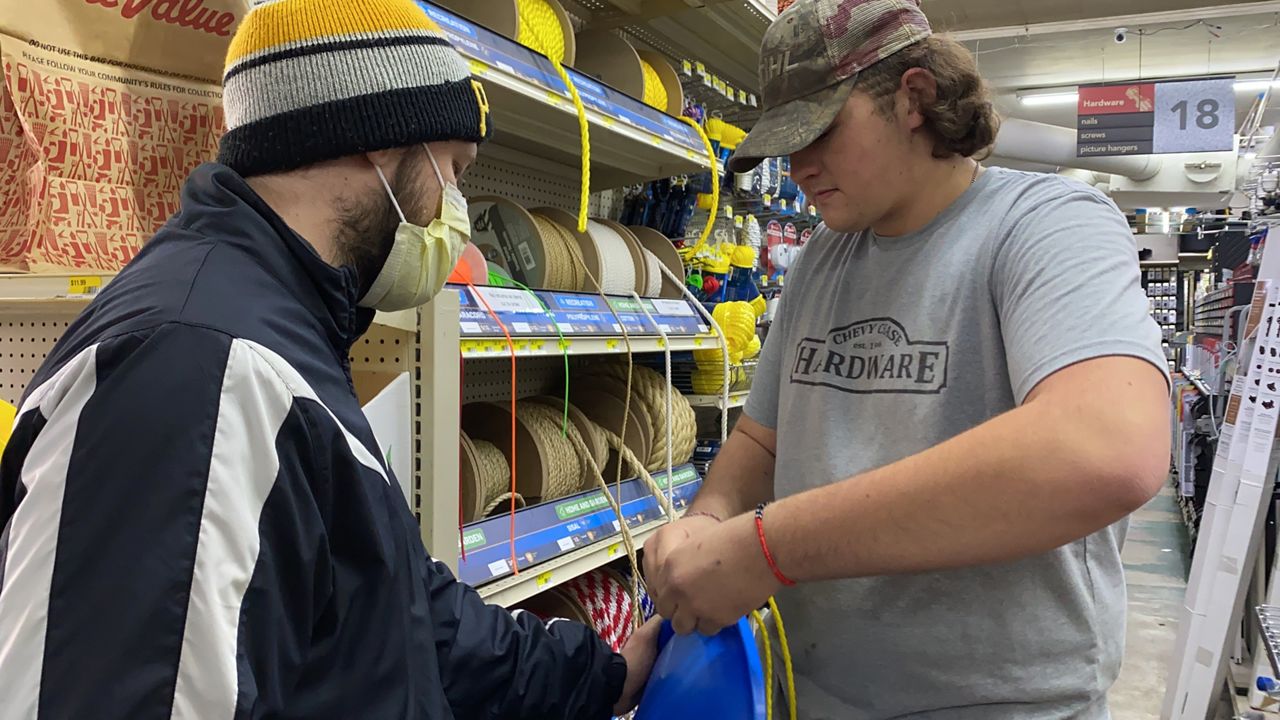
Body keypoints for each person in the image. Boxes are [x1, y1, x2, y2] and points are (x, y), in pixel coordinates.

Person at [0, 0, 657, 717]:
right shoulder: (202, 369)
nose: (453, 209)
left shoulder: (276, 332)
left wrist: (598, 675)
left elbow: (387, 607)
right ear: (380, 139)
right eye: (453, 170)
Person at [644, 0, 1170, 718]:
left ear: (914, 97)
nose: (798, 166)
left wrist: (764, 550)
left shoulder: (1046, 226)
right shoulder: (824, 257)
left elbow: (1104, 449)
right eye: (786, 142)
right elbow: (763, 439)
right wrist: (705, 526)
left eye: (821, 130)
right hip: (810, 691)